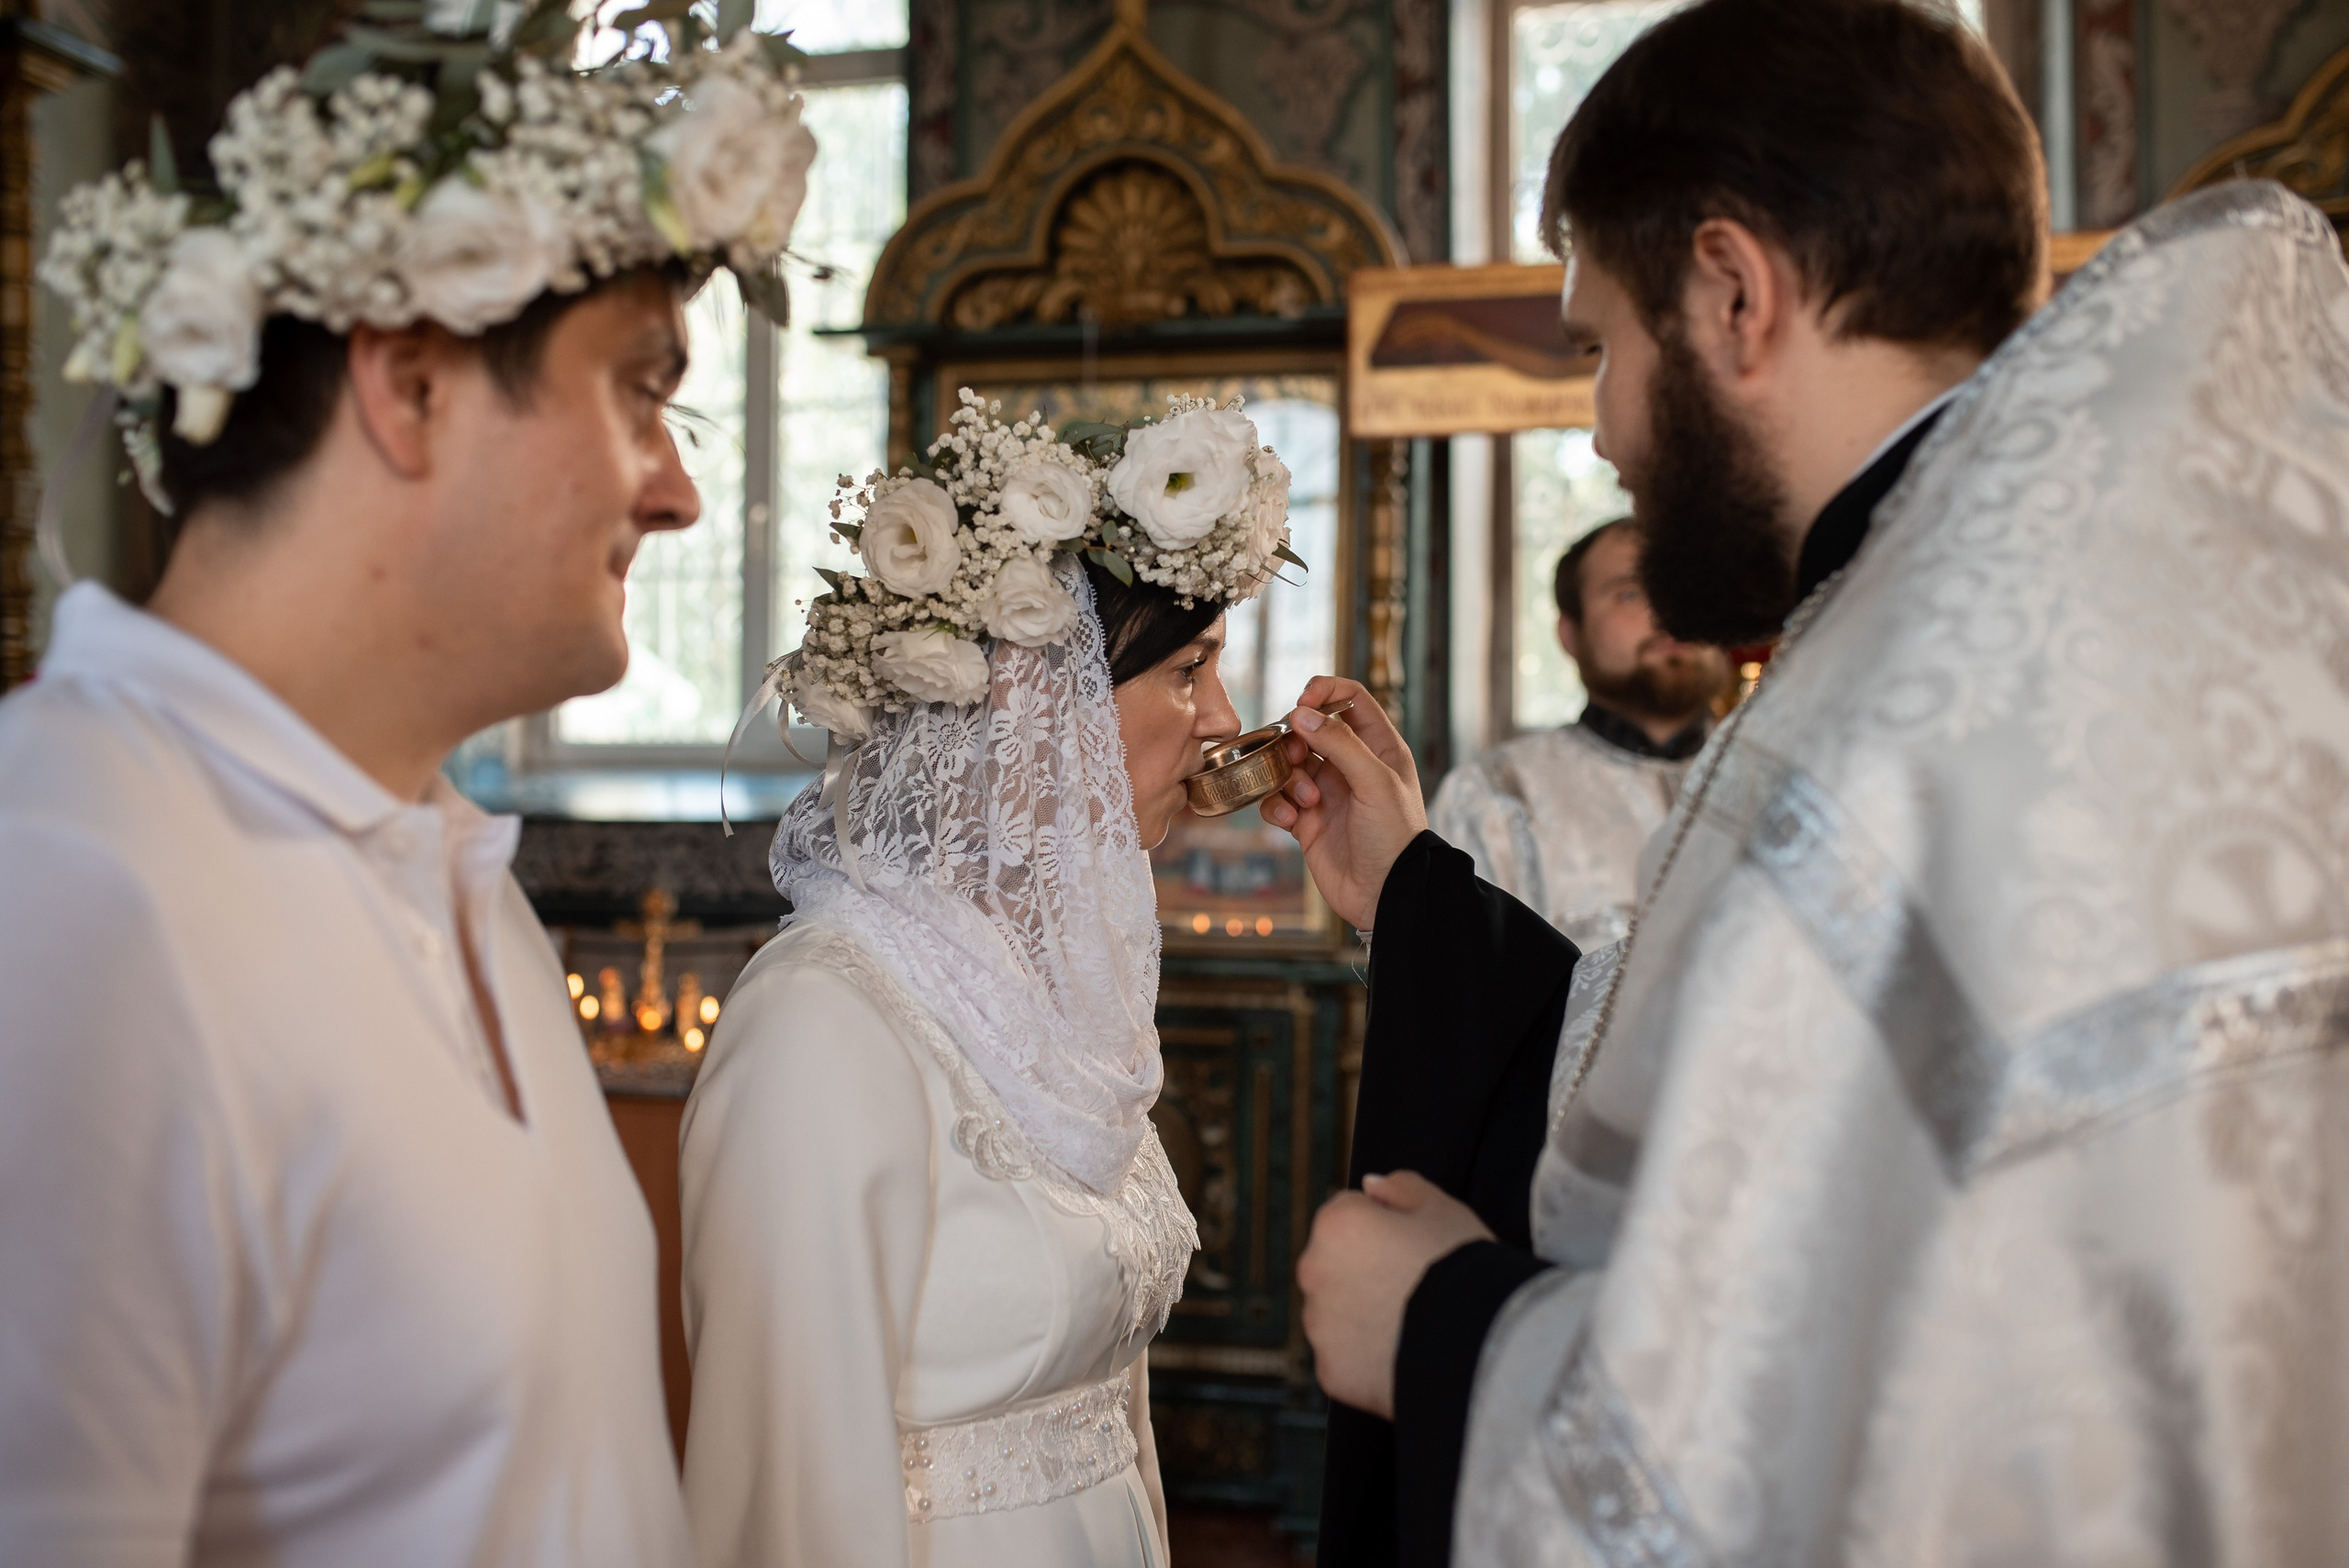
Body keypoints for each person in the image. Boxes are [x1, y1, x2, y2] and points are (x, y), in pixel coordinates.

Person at [1268, 0, 2349, 1562]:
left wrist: (1446, 1331)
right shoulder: (2091, 603)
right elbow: (1814, 1122)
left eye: (1599, 346)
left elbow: (1910, 1437)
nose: (1600, 429)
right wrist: (1421, 897)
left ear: (1732, 292)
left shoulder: (1921, 706)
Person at [0, 12, 816, 1564]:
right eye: (640, 391)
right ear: (414, 379)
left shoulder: (459, 873)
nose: (681, 484)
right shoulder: (77, 886)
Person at [678, 391, 1301, 1567]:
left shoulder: (1051, 996)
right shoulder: (821, 1019)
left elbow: (1107, 1408)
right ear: (1035, 697)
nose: (1222, 720)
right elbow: (782, 1486)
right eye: (1189, 670)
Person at [1430, 517, 1731, 951]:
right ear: (1570, 635)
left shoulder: (1784, 777)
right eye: (1630, 593)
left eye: (1689, 585)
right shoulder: (1494, 798)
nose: (1670, 610)